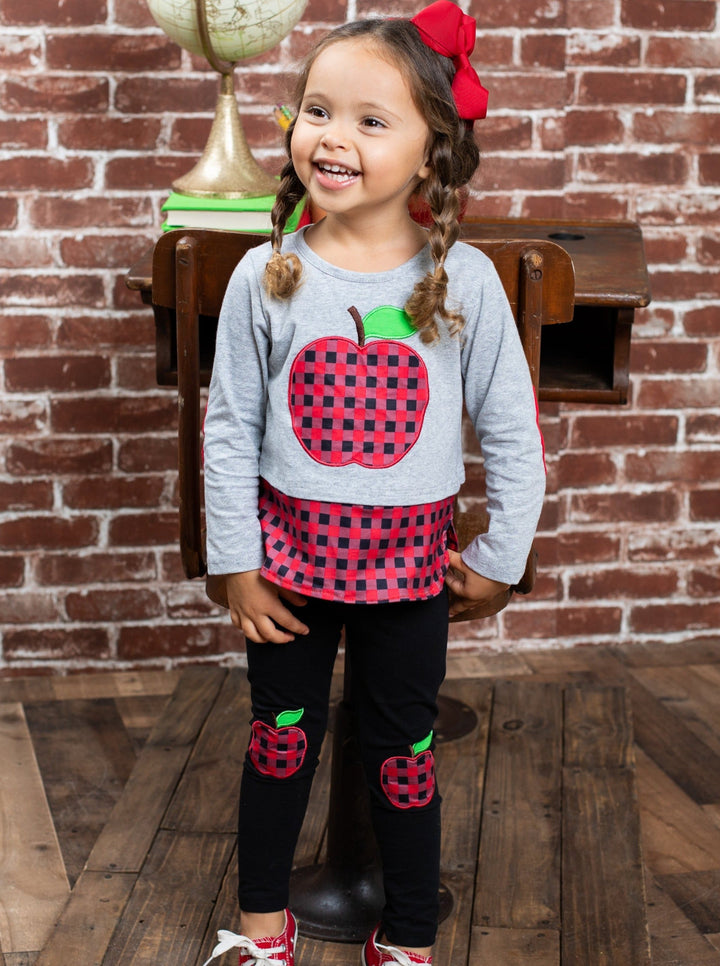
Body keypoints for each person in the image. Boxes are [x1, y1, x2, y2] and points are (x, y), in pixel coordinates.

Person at [201, 2, 546, 964]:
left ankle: (407, 938)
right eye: (318, 110)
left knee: (405, 759)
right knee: (279, 742)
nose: (333, 137)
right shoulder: (265, 276)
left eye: (370, 119)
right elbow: (228, 432)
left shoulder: (465, 281)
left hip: (410, 579)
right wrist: (236, 564)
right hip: (288, 570)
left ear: (433, 150)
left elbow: (512, 432)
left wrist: (501, 557)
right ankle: (262, 925)